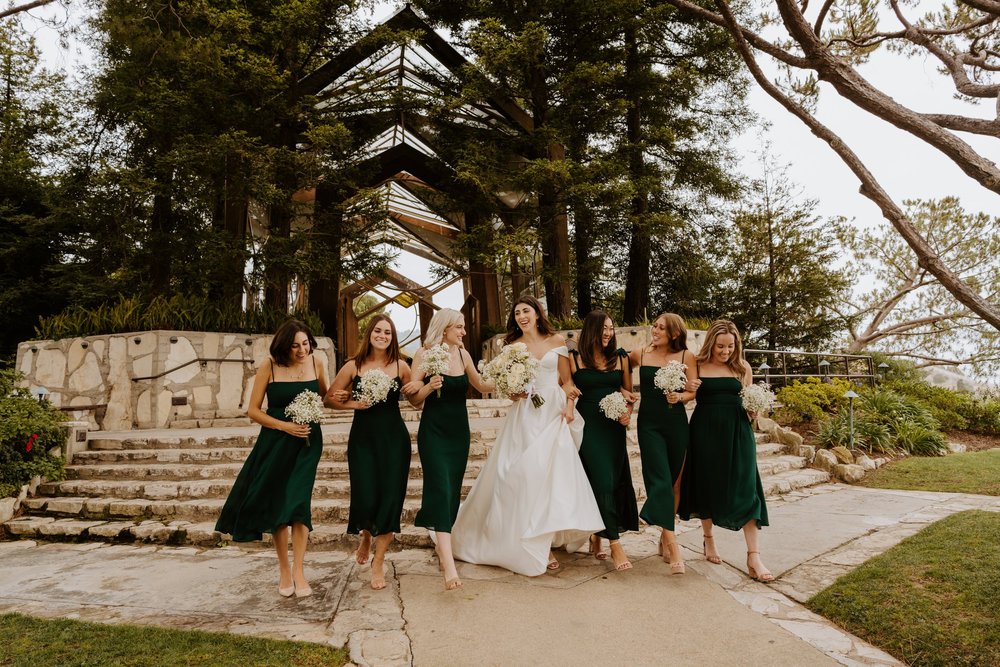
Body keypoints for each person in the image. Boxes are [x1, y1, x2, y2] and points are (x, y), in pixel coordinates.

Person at [451, 296, 604, 576]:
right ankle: (529, 541)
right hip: (524, 415)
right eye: (517, 312)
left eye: (526, 311)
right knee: (519, 475)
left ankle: (543, 538)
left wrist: (570, 407)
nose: (522, 316)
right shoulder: (512, 347)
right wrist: (513, 392)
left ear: (537, 314)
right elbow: (505, 386)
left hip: (552, 412)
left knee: (548, 477)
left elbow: (567, 381)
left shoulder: (557, 341)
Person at [215, 320, 329, 598]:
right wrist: (285, 425)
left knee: (299, 504)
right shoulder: (270, 365)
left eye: (305, 344)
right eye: (295, 345)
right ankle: (284, 571)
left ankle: (300, 570)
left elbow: (325, 397)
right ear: (284, 345)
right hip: (276, 442)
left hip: (307, 442)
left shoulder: (318, 362)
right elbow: (253, 411)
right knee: (279, 506)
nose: (302, 350)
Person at [402, 308, 494, 591]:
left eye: (463, 327)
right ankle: (449, 564)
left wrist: (513, 378)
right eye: (459, 327)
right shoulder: (425, 353)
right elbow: (413, 399)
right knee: (440, 489)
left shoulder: (464, 356)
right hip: (434, 432)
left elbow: (481, 385)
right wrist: (428, 386)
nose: (464, 332)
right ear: (444, 330)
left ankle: (443, 547)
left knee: (452, 491)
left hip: (459, 433)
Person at [678, 319, 773, 582]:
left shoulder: (742, 367)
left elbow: (749, 404)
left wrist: (754, 410)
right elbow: (688, 394)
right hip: (704, 432)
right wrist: (685, 390)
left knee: (747, 488)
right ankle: (708, 539)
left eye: (730, 346)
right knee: (707, 485)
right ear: (712, 343)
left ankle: (753, 556)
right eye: (720, 346)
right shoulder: (696, 363)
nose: (725, 351)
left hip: (738, 433)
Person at [325, 315, 412, 591]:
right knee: (366, 494)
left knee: (389, 498)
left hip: (394, 441)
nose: (382, 335)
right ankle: (365, 536)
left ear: (392, 337)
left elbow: (416, 397)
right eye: (378, 330)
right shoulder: (354, 365)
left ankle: (379, 560)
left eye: (387, 332)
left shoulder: (401, 366)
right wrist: (352, 404)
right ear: (369, 333)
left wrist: (424, 388)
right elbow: (329, 398)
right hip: (362, 440)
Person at [570, 311, 639, 571]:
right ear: (591, 331)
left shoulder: (620, 358)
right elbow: (561, 386)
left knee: (610, 480)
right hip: (587, 426)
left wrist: (627, 414)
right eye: (603, 329)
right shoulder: (574, 358)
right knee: (600, 480)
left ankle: (597, 535)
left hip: (613, 428)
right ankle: (616, 545)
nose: (608, 333)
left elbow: (629, 394)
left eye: (611, 328)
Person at [628, 313, 697, 574]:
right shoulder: (640, 354)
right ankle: (674, 546)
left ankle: (663, 536)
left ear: (674, 334)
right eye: (654, 326)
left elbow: (692, 391)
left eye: (661, 328)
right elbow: (616, 368)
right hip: (649, 425)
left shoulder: (686, 357)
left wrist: (680, 397)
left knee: (675, 483)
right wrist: (625, 393)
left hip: (677, 423)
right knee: (659, 481)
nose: (654, 330)